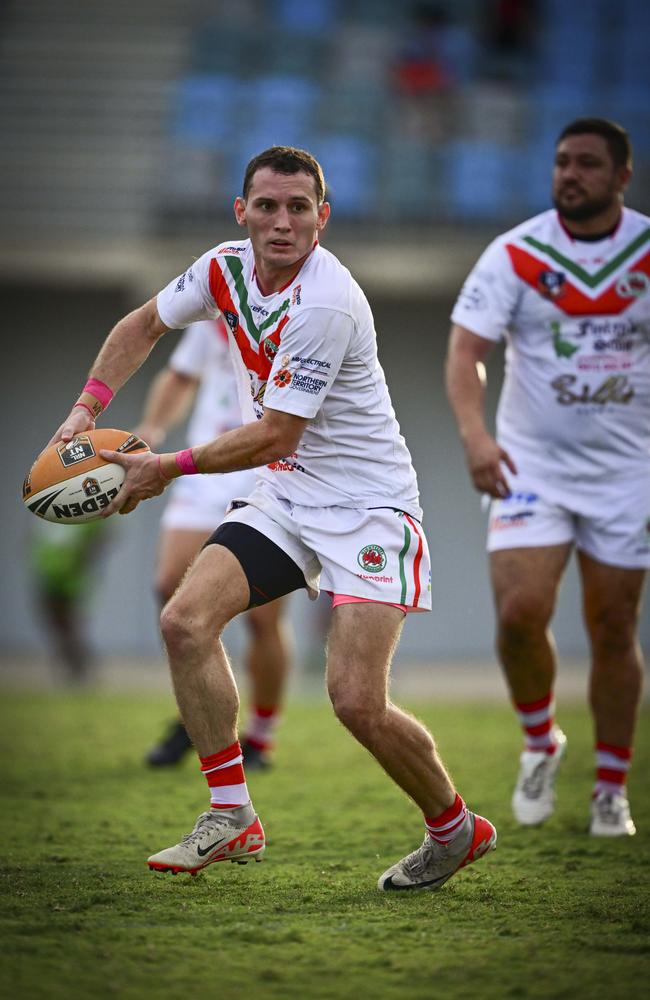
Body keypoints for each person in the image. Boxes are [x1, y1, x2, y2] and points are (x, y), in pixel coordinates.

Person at [48, 145, 496, 889]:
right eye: (267, 206)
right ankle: (232, 814)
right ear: (241, 212)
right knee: (184, 621)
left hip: (368, 507)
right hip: (288, 496)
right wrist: (81, 414)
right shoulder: (222, 268)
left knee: (356, 701)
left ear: (323, 217)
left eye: (298, 208)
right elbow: (141, 326)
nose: (281, 222)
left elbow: (274, 433)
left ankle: (454, 829)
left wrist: (166, 467)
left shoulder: (328, 299)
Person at [446, 118, 649, 837]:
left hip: (630, 473)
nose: (570, 174)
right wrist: (476, 437)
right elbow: (467, 348)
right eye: (561, 161)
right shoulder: (515, 254)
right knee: (519, 616)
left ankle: (611, 787)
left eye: (588, 164)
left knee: (614, 624)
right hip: (530, 466)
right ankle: (541, 742)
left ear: (623, 175)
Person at [138, 318, 290, 769]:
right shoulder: (219, 316)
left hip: (266, 471)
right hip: (205, 469)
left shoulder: (306, 310)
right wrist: (153, 428)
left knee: (262, 619)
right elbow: (181, 375)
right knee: (171, 588)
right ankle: (201, 718)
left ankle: (260, 738)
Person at [29, 518, 109, 683]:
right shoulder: (43, 510)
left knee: (70, 623)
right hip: (47, 571)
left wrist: (83, 557)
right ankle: (71, 665)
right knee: (55, 624)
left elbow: (102, 535)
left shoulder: (82, 511)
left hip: (72, 575)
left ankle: (80, 667)